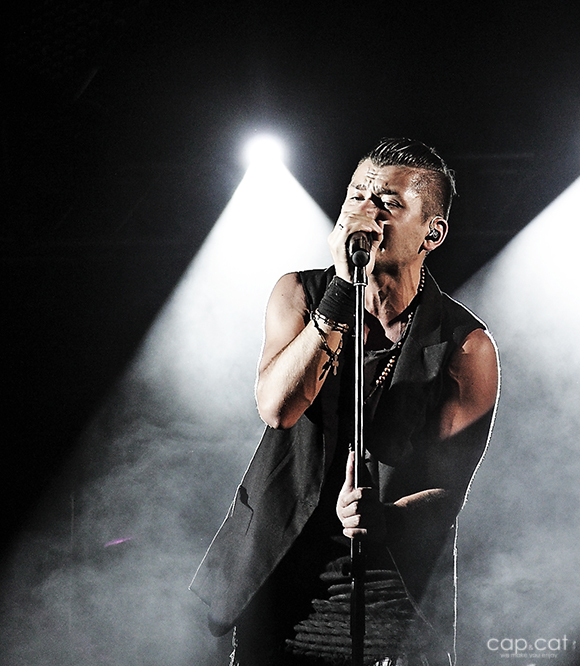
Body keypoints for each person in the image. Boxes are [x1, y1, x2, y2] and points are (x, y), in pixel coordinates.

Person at [190, 138, 500, 665]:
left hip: (385, 591)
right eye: (357, 195)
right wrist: (340, 290)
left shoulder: (466, 346)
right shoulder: (299, 294)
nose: (365, 211)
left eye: (389, 203)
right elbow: (277, 407)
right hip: (278, 579)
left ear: (432, 233)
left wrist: (383, 517)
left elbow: (449, 488)